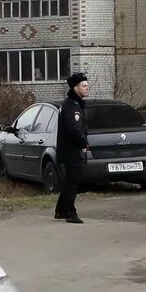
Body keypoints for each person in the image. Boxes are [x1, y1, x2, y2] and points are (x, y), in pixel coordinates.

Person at [52, 70, 91, 225]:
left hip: (70, 150)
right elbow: (74, 129)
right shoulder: (72, 106)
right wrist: (83, 143)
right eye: (84, 86)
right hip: (72, 150)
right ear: (75, 88)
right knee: (72, 182)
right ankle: (70, 212)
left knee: (70, 181)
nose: (87, 88)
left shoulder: (74, 104)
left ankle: (61, 210)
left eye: (87, 85)